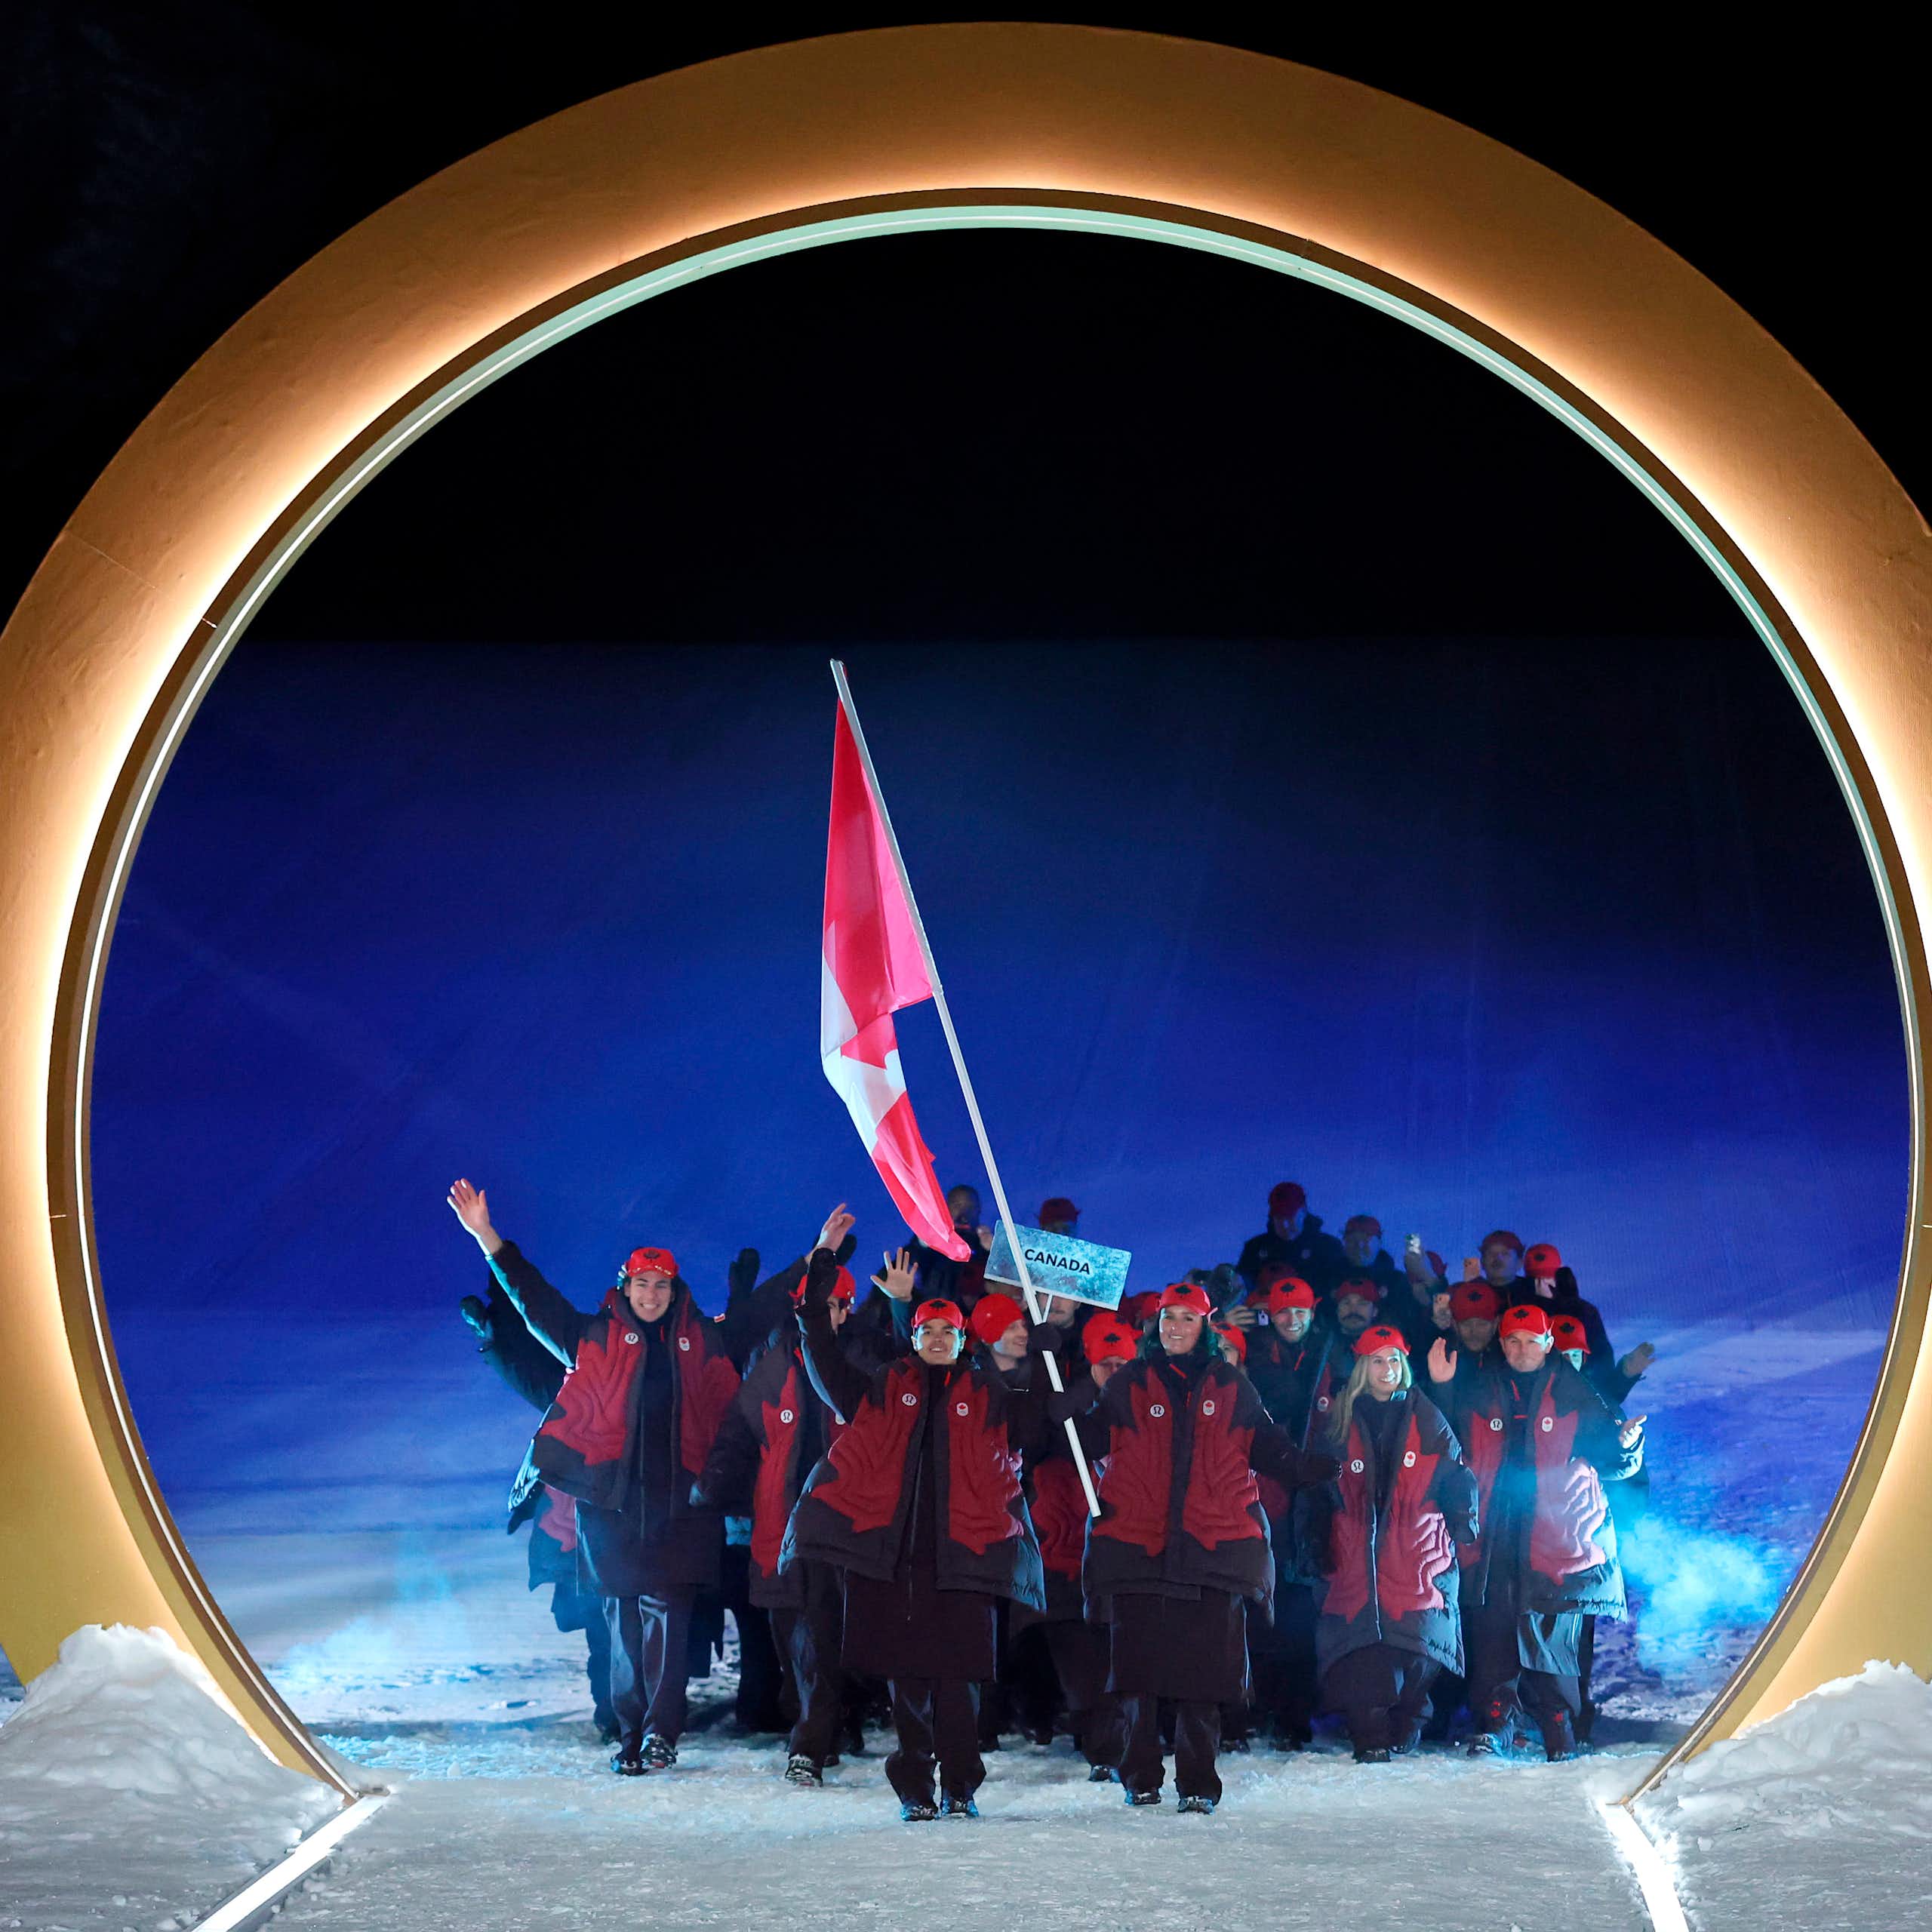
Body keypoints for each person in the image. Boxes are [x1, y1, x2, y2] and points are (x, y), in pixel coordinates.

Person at [447, 1177, 756, 1776]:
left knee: (669, 1621)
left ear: (674, 1291)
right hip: (612, 1510)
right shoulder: (592, 1339)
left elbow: (758, 1315)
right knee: (621, 1626)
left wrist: (817, 1257)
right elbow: (536, 1302)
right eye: (642, 1284)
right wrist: (488, 1237)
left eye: (661, 1285)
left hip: (681, 1512)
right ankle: (631, 1732)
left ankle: (662, 1733)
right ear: (626, 1286)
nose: (651, 1294)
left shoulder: (702, 1341)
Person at [783, 1250, 1066, 1822]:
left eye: (949, 1331)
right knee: (907, 1681)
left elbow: (1041, 1418)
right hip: (894, 1561)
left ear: (964, 1340)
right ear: (913, 1336)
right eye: (927, 1330)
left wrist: (1048, 1341)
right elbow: (820, 1352)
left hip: (966, 1559)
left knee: (960, 1680)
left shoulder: (992, 1397)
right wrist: (818, 1279)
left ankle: (961, 1786)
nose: (938, 1339)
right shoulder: (878, 1389)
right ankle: (915, 1786)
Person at [1075, 1282, 1338, 1813]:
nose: (1174, 1327)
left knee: (1205, 1678)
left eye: (1186, 1319)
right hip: (1137, 1547)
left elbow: (1269, 1450)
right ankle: (1140, 1777)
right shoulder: (1130, 1381)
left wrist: (1318, 1465)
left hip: (1213, 1548)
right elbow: (1088, 1443)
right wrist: (1068, 1402)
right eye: (1167, 1317)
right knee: (1138, 1677)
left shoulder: (1231, 1384)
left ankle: (1198, 1783)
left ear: (1205, 1326)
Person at [1426, 1303, 1644, 1761]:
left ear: (1548, 1345)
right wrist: (1443, 1388)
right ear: (1503, 1345)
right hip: (1496, 1532)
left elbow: (1617, 1458)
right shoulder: (1482, 1389)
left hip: (1555, 1537)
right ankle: (1495, 1724)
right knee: (1494, 1631)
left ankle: (1559, 1730)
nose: (1522, 1349)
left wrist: (1627, 1446)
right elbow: (1447, 1438)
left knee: (1552, 1636)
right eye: (1513, 1340)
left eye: (1532, 1340)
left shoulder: (1575, 1392)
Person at [694, 1260, 876, 1786]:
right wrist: (712, 1489)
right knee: (788, 1639)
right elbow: (738, 1434)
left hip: (839, 1526)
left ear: (847, 1309)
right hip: (776, 1525)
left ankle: (811, 1746)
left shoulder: (863, 1360)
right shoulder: (770, 1363)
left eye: (830, 1306)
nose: (817, 1315)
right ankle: (824, 1723)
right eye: (808, 1306)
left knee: (821, 1637)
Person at [1301, 1326, 1478, 1762]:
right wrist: (1315, 1542)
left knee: (1416, 1650)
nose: (1388, 1370)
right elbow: (1316, 1489)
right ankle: (1370, 1735)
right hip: (1354, 1556)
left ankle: (1406, 1725)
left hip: (1416, 1551)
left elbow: (1457, 1474)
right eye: (1378, 1361)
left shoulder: (1427, 1416)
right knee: (1363, 1655)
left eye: (1395, 1360)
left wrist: (1463, 1523)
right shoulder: (1339, 1422)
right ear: (1363, 1368)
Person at [458, 1284, 615, 1740]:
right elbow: (528, 1367)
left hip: (625, 1538)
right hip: (576, 1542)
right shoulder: (575, 1381)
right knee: (604, 1637)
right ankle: (616, 1718)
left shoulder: (650, 1382)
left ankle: (642, 1716)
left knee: (634, 1634)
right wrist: (495, 1337)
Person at [1011, 1309, 1136, 1781]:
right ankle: (1103, 1749)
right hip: (1067, 1558)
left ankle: (1115, 1743)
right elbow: (1032, 1443)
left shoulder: (1149, 1407)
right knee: (1082, 1667)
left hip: (1126, 1558)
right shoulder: (1064, 1404)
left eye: (1122, 1363)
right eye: (1105, 1363)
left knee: (1121, 1663)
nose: (1113, 1372)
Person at [1236, 1182, 1346, 1295]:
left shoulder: (1329, 1248)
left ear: (1303, 1211)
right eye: (1279, 1218)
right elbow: (1241, 1291)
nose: (1285, 1225)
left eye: (1290, 1217)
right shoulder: (1254, 1248)